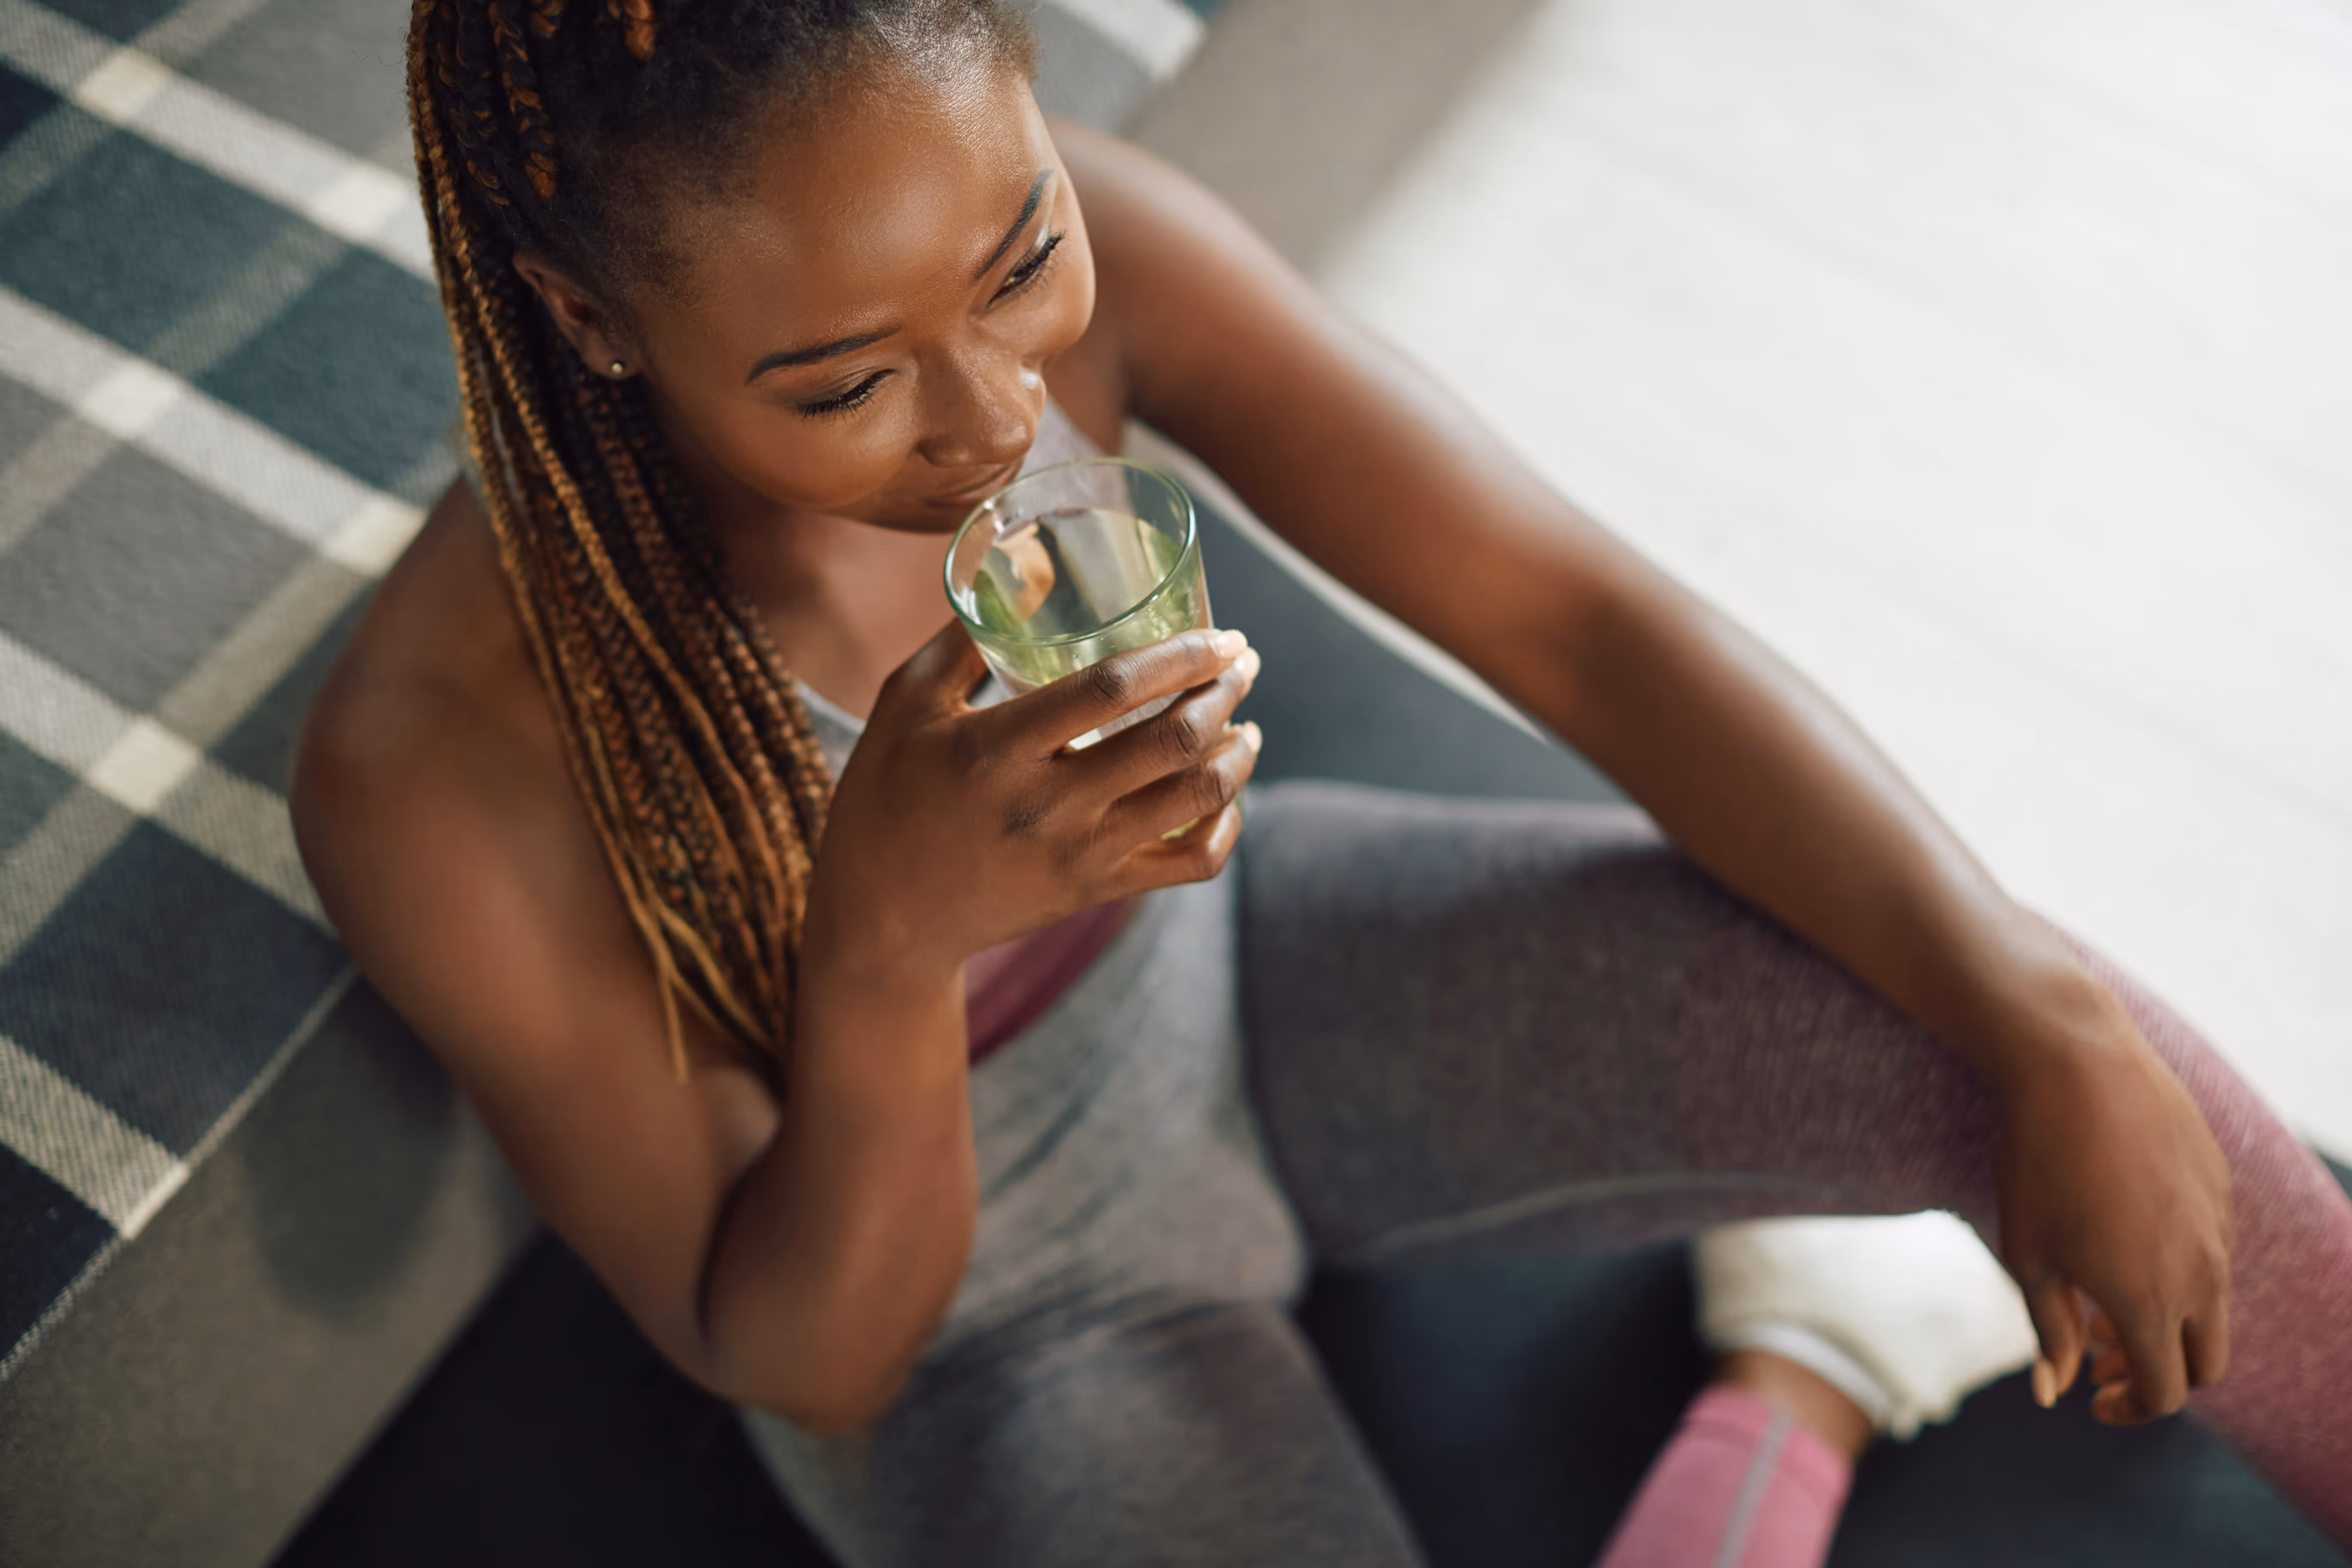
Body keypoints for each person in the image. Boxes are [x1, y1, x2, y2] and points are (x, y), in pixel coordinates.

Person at [289, 2, 2352, 1563]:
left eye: (1022, 259)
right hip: (993, 1335)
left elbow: (1572, 621)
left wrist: (2042, 1011)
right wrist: (888, 945)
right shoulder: (440, 765)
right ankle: (1793, 1390)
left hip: (1265, 974)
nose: (997, 413)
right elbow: (808, 1355)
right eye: (841, 383)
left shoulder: (1085, 272)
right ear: (588, 319)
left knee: (2079, 1049)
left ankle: (1810, 1348)